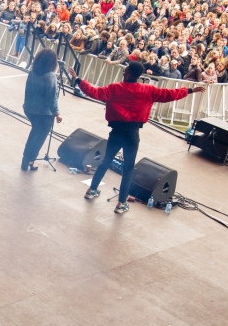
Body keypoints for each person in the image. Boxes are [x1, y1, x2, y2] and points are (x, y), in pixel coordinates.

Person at [68, 63, 206, 214]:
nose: (123, 71)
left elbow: (94, 92)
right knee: (128, 169)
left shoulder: (115, 88)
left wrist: (78, 80)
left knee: (105, 161)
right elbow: (170, 94)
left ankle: (92, 190)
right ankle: (121, 204)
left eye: (125, 70)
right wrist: (190, 90)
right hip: (132, 134)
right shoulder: (148, 90)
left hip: (116, 132)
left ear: (128, 74)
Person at [21, 49, 62, 171]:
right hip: (43, 113)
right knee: (39, 137)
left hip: (29, 109)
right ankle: (30, 160)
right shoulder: (50, 76)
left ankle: (25, 159)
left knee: (34, 132)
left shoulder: (32, 72)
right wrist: (57, 113)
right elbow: (52, 97)